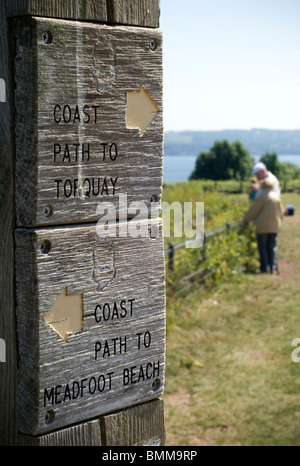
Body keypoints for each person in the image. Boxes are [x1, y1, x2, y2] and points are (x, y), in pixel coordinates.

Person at [242, 178, 284, 273]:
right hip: (274, 226)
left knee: (263, 248)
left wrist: (245, 220)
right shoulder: (277, 197)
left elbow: (253, 211)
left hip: (262, 227)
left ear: (263, 186)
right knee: (272, 247)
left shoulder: (261, 197)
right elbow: (281, 212)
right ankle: (273, 267)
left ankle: (265, 268)